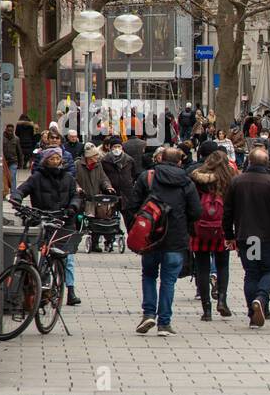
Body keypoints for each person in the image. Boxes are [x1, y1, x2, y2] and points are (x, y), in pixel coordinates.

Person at [126, 147, 201, 334]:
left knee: (149, 275)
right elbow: (196, 212)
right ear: (179, 162)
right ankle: (164, 323)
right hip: (175, 239)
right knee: (169, 281)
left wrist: (134, 230)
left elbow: (131, 206)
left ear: (160, 158)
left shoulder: (147, 177)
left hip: (150, 237)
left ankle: (148, 314)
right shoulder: (186, 182)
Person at [222, 146, 270, 328]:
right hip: (268, 236)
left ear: (249, 161)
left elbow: (227, 211)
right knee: (268, 271)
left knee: (251, 274)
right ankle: (260, 297)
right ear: (266, 163)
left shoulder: (237, 182)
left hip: (246, 235)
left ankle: (253, 314)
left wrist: (229, 234)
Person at [11, 146, 84, 305]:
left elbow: (76, 197)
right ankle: (43, 289)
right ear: (46, 161)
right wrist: (16, 198)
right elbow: (22, 190)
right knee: (44, 257)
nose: (56, 161)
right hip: (44, 220)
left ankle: (70, 290)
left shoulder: (68, 178)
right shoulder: (37, 177)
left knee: (67, 258)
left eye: (58, 158)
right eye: (52, 158)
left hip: (65, 221)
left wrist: (72, 207)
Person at [190, 149, 236, 321]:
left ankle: (206, 309)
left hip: (200, 228)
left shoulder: (196, 178)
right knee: (223, 264)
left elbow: (191, 202)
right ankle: (222, 299)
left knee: (202, 267)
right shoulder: (230, 179)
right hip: (222, 228)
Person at [76, 143, 116, 249]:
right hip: (82, 198)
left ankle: (95, 244)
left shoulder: (98, 165)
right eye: (95, 156)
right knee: (80, 222)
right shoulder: (78, 165)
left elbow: (103, 178)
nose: (97, 157)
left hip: (96, 197)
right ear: (89, 157)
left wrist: (108, 187)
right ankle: (74, 242)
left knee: (97, 221)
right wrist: (77, 188)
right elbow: (72, 179)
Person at [102, 136, 138, 207]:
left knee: (127, 212)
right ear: (110, 148)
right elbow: (103, 176)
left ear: (122, 147)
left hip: (126, 192)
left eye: (119, 146)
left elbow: (134, 174)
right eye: (114, 147)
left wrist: (129, 182)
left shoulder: (129, 160)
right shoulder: (104, 160)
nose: (117, 149)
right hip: (111, 192)